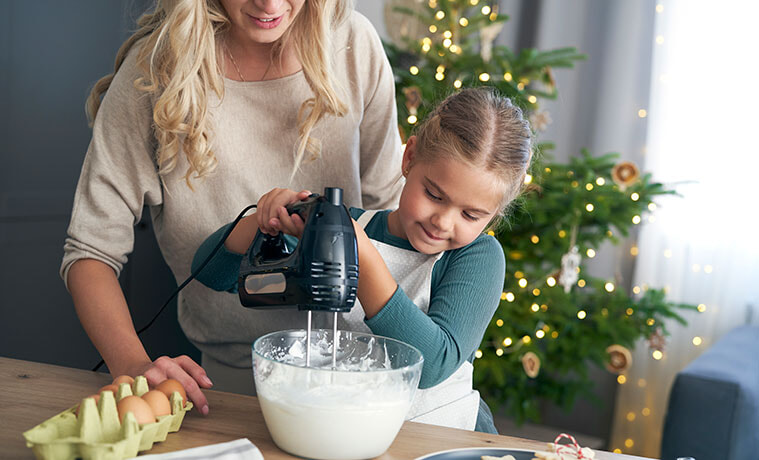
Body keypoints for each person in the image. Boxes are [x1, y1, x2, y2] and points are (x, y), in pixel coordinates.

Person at [61, 0, 404, 417]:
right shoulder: (155, 73)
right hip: (231, 382)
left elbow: (392, 221)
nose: (270, 5)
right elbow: (90, 253)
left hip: (357, 371)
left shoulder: (353, 43)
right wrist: (133, 366)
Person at [193, 87, 533, 432]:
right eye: (433, 194)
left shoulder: (477, 256)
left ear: (494, 215)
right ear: (409, 157)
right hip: (346, 433)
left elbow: (431, 365)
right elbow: (208, 273)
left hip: (443, 438)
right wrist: (261, 221)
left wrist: (364, 258)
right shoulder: (344, 228)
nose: (443, 221)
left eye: (471, 215)